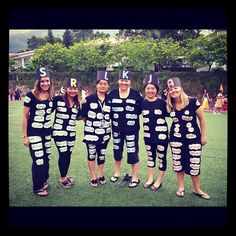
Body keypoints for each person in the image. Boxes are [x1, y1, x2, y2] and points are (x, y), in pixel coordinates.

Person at [166, 77, 211, 200]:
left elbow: (202, 119)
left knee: (194, 164)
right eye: (171, 89)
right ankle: (181, 187)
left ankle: (196, 189)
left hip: (193, 139)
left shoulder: (192, 102)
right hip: (176, 140)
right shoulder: (170, 105)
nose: (173, 91)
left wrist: (203, 135)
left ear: (180, 88)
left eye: (175, 88)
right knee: (178, 164)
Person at [22, 67, 54, 197]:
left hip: (47, 133)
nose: (45, 83)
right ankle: (37, 187)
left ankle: (43, 181)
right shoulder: (31, 95)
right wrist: (24, 136)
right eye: (42, 81)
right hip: (34, 133)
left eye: (47, 81)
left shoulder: (51, 96)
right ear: (38, 82)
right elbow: (24, 116)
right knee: (38, 160)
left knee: (46, 159)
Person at [109, 68, 143, 188]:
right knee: (117, 151)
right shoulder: (112, 93)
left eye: (126, 81)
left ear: (130, 82)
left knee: (133, 152)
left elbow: (141, 109)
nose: (124, 83)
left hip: (132, 130)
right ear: (118, 81)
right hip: (117, 129)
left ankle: (135, 176)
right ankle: (117, 173)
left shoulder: (136, 94)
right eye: (122, 80)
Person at [81, 69, 111, 187]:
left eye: (105, 84)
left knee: (102, 154)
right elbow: (83, 116)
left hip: (105, 132)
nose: (103, 86)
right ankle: (93, 176)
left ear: (108, 86)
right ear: (96, 85)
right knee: (92, 154)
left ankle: (100, 174)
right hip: (91, 133)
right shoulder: (89, 99)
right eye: (100, 84)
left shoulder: (110, 100)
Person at [141, 72, 169, 191]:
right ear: (145, 90)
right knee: (150, 157)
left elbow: (172, 112)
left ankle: (159, 180)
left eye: (153, 88)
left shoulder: (162, 103)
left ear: (156, 90)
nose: (150, 91)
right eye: (148, 88)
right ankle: (150, 178)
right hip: (148, 135)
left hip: (161, 136)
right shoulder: (141, 103)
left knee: (161, 158)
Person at [52, 78, 81, 188]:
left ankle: (65, 175)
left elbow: (78, 117)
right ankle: (63, 178)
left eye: (74, 89)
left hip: (71, 133)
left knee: (68, 155)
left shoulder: (77, 103)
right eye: (70, 88)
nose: (72, 91)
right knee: (63, 154)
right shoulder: (58, 99)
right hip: (59, 132)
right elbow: (48, 110)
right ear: (66, 89)